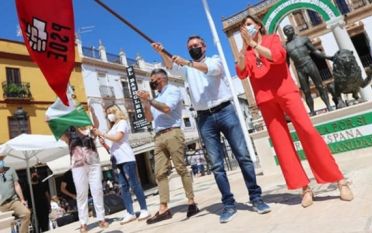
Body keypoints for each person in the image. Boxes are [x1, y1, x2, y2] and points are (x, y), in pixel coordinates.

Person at [235, 15, 353, 208]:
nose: (245, 28)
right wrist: (243, 47)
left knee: (308, 132)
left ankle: (339, 180)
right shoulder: (246, 50)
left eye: (248, 24)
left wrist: (254, 45)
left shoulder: (272, 39)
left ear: (258, 26)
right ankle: (304, 188)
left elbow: (278, 57)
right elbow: (242, 72)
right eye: (242, 26)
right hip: (265, 99)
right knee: (281, 144)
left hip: (285, 91)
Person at [152, 35, 271, 223]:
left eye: (196, 45)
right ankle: (228, 204)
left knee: (243, 156)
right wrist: (161, 52)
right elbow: (170, 66)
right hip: (204, 118)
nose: (193, 48)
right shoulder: (186, 69)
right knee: (216, 165)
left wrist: (188, 63)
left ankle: (256, 198)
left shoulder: (214, 60)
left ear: (204, 47)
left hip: (225, 111)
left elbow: (210, 70)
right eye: (190, 46)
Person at [137, 68, 200, 224]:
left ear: (161, 78)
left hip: (173, 132)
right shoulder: (156, 97)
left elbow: (166, 108)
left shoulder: (173, 90)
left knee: (180, 167)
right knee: (159, 173)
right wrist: (146, 103)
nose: (151, 82)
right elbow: (150, 117)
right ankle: (164, 208)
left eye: (153, 79)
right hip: (158, 136)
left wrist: (150, 100)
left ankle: (191, 202)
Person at [93, 104, 150, 224]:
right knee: (123, 187)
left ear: (116, 112)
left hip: (126, 158)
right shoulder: (112, 127)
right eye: (107, 113)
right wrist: (104, 144)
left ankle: (144, 209)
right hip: (116, 160)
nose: (108, 115)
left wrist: (102, 133)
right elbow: (113, 147)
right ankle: (130, 212)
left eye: (110, 112)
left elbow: (118, 138)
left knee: (134, 184)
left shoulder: (123, 123)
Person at [60, 126, 109, 233]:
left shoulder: (90, 128)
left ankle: (101, 218)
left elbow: (97, 125)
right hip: (78, 166)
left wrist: (92, 110)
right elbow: (60, 135)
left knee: (98, 190)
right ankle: (83, 222)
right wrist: (51, 122)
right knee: (81, 193)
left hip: (93, 163)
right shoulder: (69, 131)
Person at [283, 25, 334, 115]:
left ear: (293, 29)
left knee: (320, 86)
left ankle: (329, 106)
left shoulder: (304, 39)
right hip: (299, 68)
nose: (288, 30)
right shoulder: (286, 46)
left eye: (290, 28)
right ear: (284, 33)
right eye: (286, 30)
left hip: (309, 63)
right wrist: (283, 75)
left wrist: (328, 57)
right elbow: (287, 63)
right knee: (306, 91)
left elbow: (315, 51)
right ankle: (312, 111)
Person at [0, 153, 31, 233]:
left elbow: (16, 185)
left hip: (13, 201)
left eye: (1, 159)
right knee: (0, 225)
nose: (0, 161)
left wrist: (22, 199)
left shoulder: (11, 170)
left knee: (26, 213)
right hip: (0, 205)